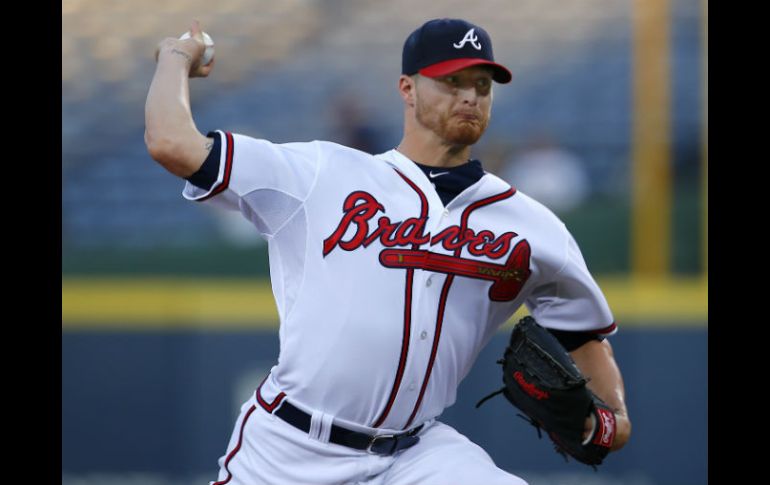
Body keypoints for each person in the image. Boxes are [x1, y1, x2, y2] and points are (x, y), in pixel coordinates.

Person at [145, 18, 631, 485]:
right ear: (407, 89)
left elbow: (584, 335)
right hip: (291, 448)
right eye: (451, 80)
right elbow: (171, 142)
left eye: (482, 84)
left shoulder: (532, 226)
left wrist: (608, 424)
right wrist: (173, 57)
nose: (469, 95)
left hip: (417, 456)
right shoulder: (321, 172)